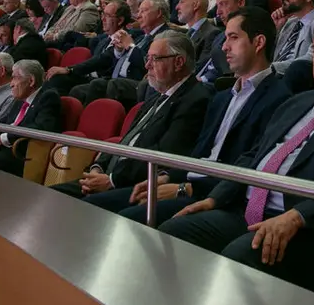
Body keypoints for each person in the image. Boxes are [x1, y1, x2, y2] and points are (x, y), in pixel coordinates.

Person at [157, 14, 314, 293]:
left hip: (304, 224)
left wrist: (297, 216)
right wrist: (215, 197)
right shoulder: (297, 102)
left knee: (237, 256)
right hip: (244, 208)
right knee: (172, 233)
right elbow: (253, 156)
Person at [112, 7, 292, 224]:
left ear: (259, 42)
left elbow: (247, 164)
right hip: (190, 181)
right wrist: (166, 177)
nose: (224, 47)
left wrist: (183, 188)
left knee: (125, 219)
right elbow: (199, 153)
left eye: (233, 38)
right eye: (225, 38)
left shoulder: (280, 99)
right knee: (99, 203)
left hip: (218, 196)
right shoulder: (222, 97)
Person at [57, 31, 211, 200]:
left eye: (155, 59)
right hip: (108, 178)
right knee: (49, 196)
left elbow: (162, 155)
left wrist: (111, 180)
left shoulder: (195, 99)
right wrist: (97, 168)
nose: (147, 66)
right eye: (148, 58)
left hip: (135, 187)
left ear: (178, 62)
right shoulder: (156, 97)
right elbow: (126, 140)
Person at [0, 59, 61, 176]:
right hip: (0, 150)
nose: (11, 83)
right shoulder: (20, 98)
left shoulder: (48, 96)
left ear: (31, 81)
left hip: (20, 155)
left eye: (15, 78)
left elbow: (40, 127)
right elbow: (1, 121)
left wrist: (1, 139)